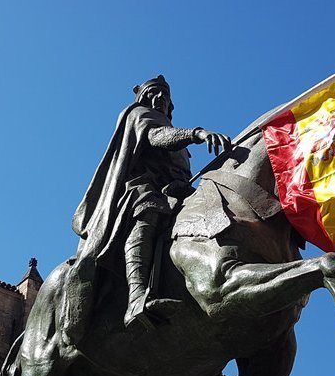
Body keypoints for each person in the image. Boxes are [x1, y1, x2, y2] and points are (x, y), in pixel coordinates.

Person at [62, 75, 231, 341]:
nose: (161, 98)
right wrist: (197, 134)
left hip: (172, 191)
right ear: (144, 97)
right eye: (154, 93)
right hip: (139, 189)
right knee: (148, 210)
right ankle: (136, 297)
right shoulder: (140, 115)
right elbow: (157, 137)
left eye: (165, 95)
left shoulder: (167, 125)